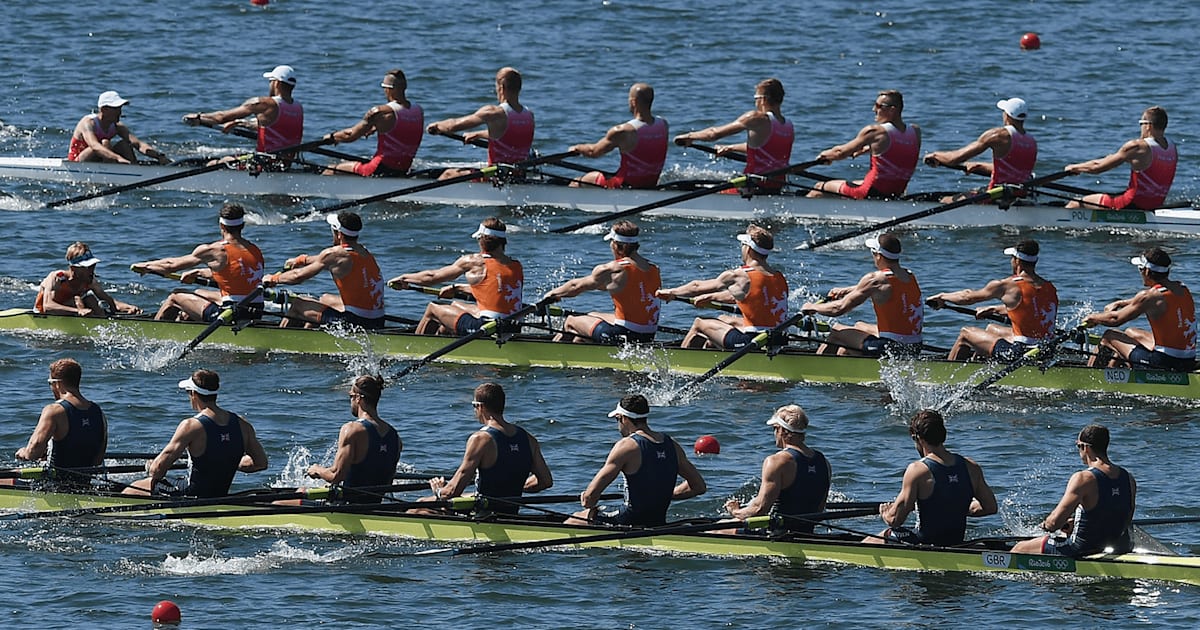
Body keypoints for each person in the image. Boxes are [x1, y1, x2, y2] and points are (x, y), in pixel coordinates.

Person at [566, 394, 706, 526]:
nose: (618, 426)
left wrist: (587, 499)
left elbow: (590, 499)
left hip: (628, 518)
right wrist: (662, 495)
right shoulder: (672, 445)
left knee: (575, 519)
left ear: (623, 418)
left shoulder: (626, 446)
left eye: (617, 420)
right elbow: (698, 487)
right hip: (657, 520)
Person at [124, 370, 268, 498]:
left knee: (136, 487)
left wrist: (150, 467)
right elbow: (260, 463)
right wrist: (225, 462)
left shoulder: (191, 426)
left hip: (191, 495)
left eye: (188, 392)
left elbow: (158, 470)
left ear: (193, 393)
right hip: (220, 494)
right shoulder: (243, 425)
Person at [867, 409, 997, 546]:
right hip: (957, 543)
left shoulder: (917, 470)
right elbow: (990, 507)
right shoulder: (971, 467)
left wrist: (885, 513)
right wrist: (955, 507)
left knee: (886, 533)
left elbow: (895, 520)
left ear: (917, 438)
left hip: (925, 543)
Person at [423, 382, 552, 515]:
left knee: (421, 505)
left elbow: (452, 492)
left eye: (474, 406)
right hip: (510, 512)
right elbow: (545, 481)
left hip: (484, 514)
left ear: (480, 407)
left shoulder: (480, 439)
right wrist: (513, 486)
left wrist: (439, 490)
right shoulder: (529, 439)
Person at [1011, 424, 1136, 557]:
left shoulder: (1083, 478)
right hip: (1115, 547)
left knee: (1020, 547)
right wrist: (1074, 522)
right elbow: (1123, 519)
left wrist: (1045, 526)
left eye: (1078, 446)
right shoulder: (1128, 478)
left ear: (1085, 447)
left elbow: (1054, 523)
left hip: (1079, 550)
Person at [656, 225, 788, 349]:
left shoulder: (739, 275)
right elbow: (750, 297)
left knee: (699, 323)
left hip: (752, 342)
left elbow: (697, 286)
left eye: (742, 245)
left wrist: (671, 292)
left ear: (748, 249)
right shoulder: (778, 276)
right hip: (778, 339)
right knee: (723, 319)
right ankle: (710, 353)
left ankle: (681, 363)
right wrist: (711, 297)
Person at [131, 203, 265, 323]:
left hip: (232, 315)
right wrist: (199, 272)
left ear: (221, 226)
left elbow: (171, 266)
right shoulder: (255, 250)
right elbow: (237, 274)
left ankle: (155, 333)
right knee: (199, 292)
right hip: (256, 311)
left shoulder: (216, 250)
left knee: (175, 296)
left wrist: (147, 266)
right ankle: (187, 321)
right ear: (242, 225)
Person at [388, 217, 523, 336]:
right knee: (455, 304)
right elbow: (493, 290)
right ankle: (444, 338)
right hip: (512, 326)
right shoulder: (516, 265)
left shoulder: (475, 261)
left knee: (433, 308)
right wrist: (457, 288)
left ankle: (415, 349)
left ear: (482, 240)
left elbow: (432, 277)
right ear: (503, 242)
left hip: (488, 328)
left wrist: (404, 278)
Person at [926, 240, 1058, 361]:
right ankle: (979, 364)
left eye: (1012, 259)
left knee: (965, 333)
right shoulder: (1049, 287)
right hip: (1046, 350)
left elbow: (967, 297)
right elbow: (1030, 310)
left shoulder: (1008, 285)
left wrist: (942, 297)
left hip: (1020, 352)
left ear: (1017, 261)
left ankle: (946, 376)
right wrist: (993, 309)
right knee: (991, 329)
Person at [800, 233, 923, 356]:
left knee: (837, 331)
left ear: (879, 256)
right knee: (859, 326)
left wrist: (812, 307)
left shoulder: (874, 279)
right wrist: (847, 290)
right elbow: (885, 288)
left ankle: (815, 367)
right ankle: (846, 363)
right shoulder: (909, 275)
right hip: (914, 347)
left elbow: (838, 309)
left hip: (890, 348)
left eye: (872, 253)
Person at [262, 211, 386, 329]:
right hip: (378, 319)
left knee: (299, 303)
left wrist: (274, 279)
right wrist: (302, 260)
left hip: (355, 322)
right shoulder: (363, 251)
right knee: (325, 299)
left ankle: (279, 340)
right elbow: (324, 260)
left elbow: (298, 276)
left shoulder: (334, 254)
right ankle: (311, 335)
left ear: (339, 234)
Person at [542, 221, 661, 344]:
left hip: (623, 336)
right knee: (591, 315)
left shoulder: (614, 269)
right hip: (648, 336)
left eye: (611, 242)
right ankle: (580, 346)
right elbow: (624, 288)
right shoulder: (654, 268)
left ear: (617, 246)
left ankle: (550, 353)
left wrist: (552, 294)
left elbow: (575, 286)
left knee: (571, 321)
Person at [1082, 247, 1196, 371]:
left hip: (1164, 362)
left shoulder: (1149, 297)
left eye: (1140, 269)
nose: (1140, 273)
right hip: (1188, 360)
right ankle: (1115, 371)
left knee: (1109, 336)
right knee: (1131, 332)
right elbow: (1145, 301)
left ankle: (1089, 377)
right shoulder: (1182, 288)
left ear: (1147, 271)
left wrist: (1092, 317)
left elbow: (1115, 319)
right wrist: (1120, 303)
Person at [723, 404, 831, 534]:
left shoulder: (776, 461)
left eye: (775, 429)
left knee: (718, 529)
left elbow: (759, 509)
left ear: (782, 430)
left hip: (776, 534)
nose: (774, 434)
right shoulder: (824, 462)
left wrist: (735, 511)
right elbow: (819, 510)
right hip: (806, 532)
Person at [673, 78, 793, 192]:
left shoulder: (756, 118)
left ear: (763, 99)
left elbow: (713, 134)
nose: (755, 102)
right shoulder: (788, 125)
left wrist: (689, 136)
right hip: (777, 186)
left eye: (755, 98)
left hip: (752, 186)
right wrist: (730, 148)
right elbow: (765, 149)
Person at [10, 358, 107, 489]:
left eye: (50, 383)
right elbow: (98, 459)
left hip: (54, 486)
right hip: (84, 485)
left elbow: (33, 452)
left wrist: (22, 452)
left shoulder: (54, 411)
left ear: (58, 384)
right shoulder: (98, 412)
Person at [183, 65, 303, 168]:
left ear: (276, 83)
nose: (270, 84)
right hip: (286, 164)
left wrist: (198, 117)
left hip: (263, 164)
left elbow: (221, 117)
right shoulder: (298, 108)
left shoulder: (264, 103)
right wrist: (241, 123)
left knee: (216, 163)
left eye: (270, 81)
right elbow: (274, 127)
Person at [808, 90, 921, 199]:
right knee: (852, 182)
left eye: (878, 106)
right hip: (896, 192)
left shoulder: (875, 131)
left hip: (869, 192)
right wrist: (867, 149)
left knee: (820, 187)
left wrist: (825, 155)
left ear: (892, 110)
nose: (873, 109)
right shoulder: (914, 132)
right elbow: (898, 150)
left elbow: (840, 152)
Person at [305, 375, 400, 504]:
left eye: (351, 396)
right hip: (374, 505)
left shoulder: (351, 430)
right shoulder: (395, 437)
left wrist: (317, 470)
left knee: (285, 501)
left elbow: (336, 476)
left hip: (346, 507)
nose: (350, 401)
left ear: (358, 398)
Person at [426, 67, 534, 179]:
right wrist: (478, 134)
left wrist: (437, 126)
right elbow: (509, 135)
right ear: (519, 88)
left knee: (449, 174)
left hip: (496, 177)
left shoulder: (494, 112)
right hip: (519, 175)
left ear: (501, 88)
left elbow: (454, 125)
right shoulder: (528, 115)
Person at [923, 97, 1037, 200]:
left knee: (945, 200)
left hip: (996, 195)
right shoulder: (1031, 141)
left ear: (1006, 115)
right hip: (1020, 195)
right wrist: (980, 166)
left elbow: (954, 159)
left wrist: (935, 155)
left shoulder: (997, 135)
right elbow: (1013, 171)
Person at [1065, 106, 1177, 211]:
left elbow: (1097, 168)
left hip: (1130, 203)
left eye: (1141, 124)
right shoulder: (1171, 147)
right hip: (1156, 204)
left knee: (1076, 203)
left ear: (1148, 126)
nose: (1140, 128)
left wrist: (1074, 167)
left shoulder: (1137, 147)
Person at [323, 69, 423, 177]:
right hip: (403, 168)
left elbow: (350, 135)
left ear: (389, 89)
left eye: (384, 88)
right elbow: (402, 127)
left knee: (331, 169)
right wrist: (376, 126)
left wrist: (332, 137)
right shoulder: (417, 110)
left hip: (378, 169)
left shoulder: (381, 112)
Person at [568, 83, 668, 189]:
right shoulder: (663, 124)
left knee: (579, 181)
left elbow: (593, 152)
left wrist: (577, 148)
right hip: (650, 184)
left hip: (623, 185)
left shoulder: (623, 131)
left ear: (633, 102)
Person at [36, 242, 142, 317]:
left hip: (72, 311)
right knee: (79, 299)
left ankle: (102, 325)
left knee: (90, 299)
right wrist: (78, 311)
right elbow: (47, 306)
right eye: (87, 267)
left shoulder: (90, 280)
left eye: (93, 265)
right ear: (74, 268)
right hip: (45, 314)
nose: (92, 269)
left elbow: (110, 301)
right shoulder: (57, 277)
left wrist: (128, 308)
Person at [67, 91, 169, 165]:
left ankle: (133, 168)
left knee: (125, 145)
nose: (120, 112)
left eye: (120, 108)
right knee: (105, 143)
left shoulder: (117, 126)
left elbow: (138, 144)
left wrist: (159, 156)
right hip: (77, 161)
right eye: (115, 109)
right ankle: (115, 171)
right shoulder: (88, 123)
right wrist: (118, 158)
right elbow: (94, 146)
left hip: (101, 159)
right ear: (104, 109)